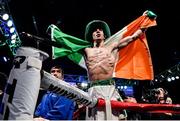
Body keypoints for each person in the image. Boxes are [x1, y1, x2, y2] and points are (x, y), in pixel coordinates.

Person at [84, 12, 149, 120]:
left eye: (100, 30)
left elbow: (134, 37)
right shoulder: (86, 50)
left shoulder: (113, 47)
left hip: (109, 89)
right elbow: (67, 43)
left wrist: (144, 20)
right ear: (92, 36)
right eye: (95, 31)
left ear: (105, 36)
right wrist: (55, 33)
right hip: (92, 90)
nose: (98, 31)